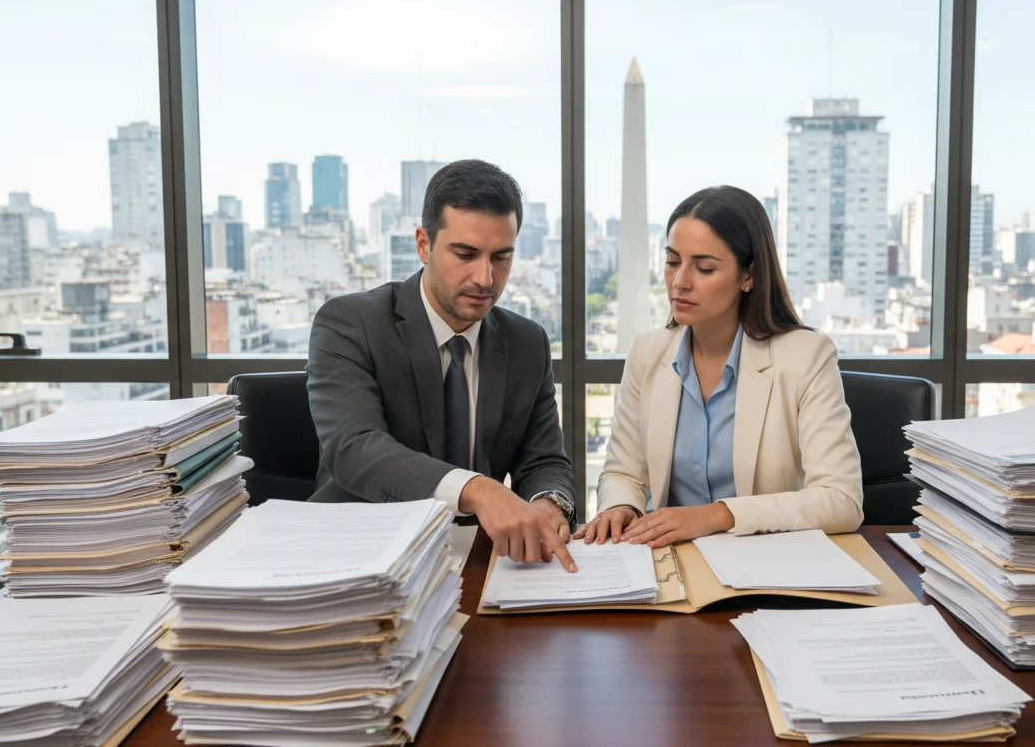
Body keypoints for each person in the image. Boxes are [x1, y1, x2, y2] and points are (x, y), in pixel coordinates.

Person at [307, 159, 578, 572]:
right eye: (465, 254)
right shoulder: (350, 323)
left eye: (501, 257)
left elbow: (543, 460)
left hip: (478, 561)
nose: (486, 278)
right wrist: (478, 489)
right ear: (423, 244)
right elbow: (354, 448)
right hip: (360, 559)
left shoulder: (527, 343)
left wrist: (548, 503)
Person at [575, 185, 862, 549]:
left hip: (765, 562)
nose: (680, 282)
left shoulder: (807, 356)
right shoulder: (648, 351)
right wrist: (621, 505)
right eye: (673, 261)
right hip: (670, 559)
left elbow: (841, 500)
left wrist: (715, 515)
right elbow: (623, 470)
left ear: (749, 276)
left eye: (705, 267)